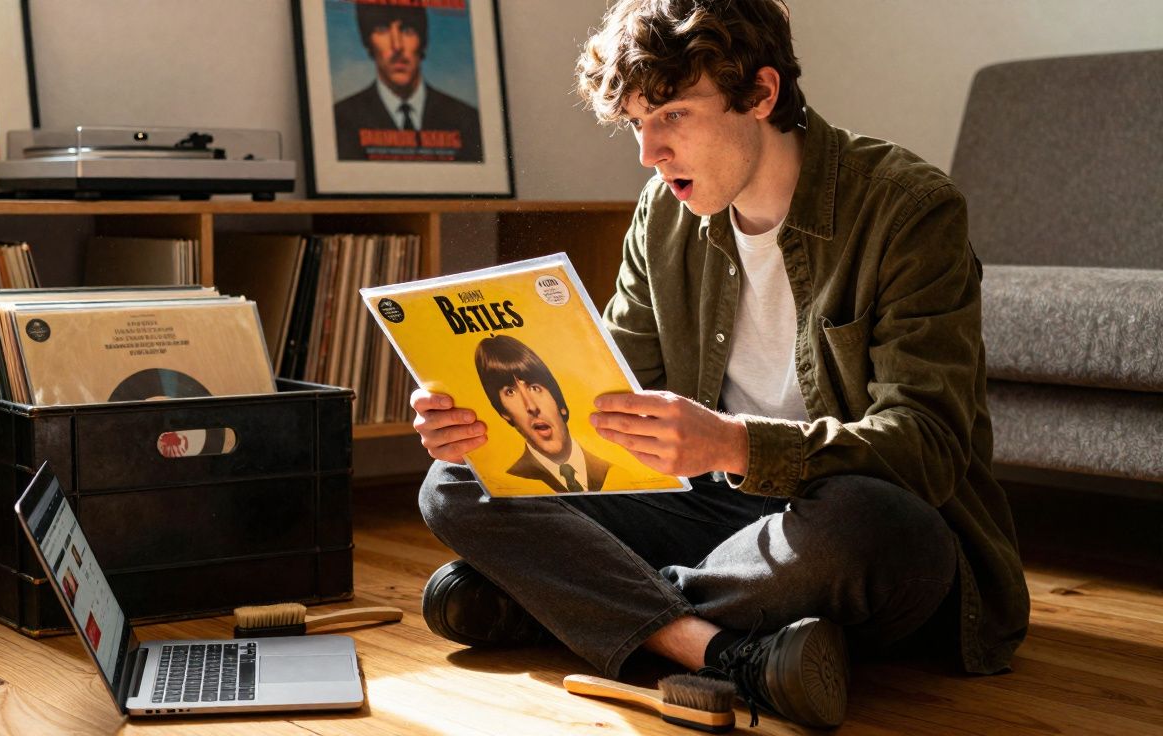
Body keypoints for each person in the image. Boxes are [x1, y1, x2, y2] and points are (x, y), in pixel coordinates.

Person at [412, 0, 1029, 729]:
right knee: (454, 481)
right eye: (637, 124)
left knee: (870, 527)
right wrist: (486, 426)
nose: (650, 152)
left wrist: (735, 444)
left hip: (840, 523)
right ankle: (716, 649)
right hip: (719, 522)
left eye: (672, 114)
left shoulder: (908, 209)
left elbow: (928, 447)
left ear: (762, 94)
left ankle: (557, 600)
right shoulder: (662, 212)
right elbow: (608, 403)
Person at [333, 3, 483, 163]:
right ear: (368, 42)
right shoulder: (340, 120)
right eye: (382, 30)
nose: (397, 45)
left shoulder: (468, 120)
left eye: (407, 30)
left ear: (422, 40)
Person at [473, 334, 611, 493]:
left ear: (558, 401)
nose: (531, 406)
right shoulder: (507, 482)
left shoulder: (612, 468)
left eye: (534, 387)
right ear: (504, 413)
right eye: (510, 392)